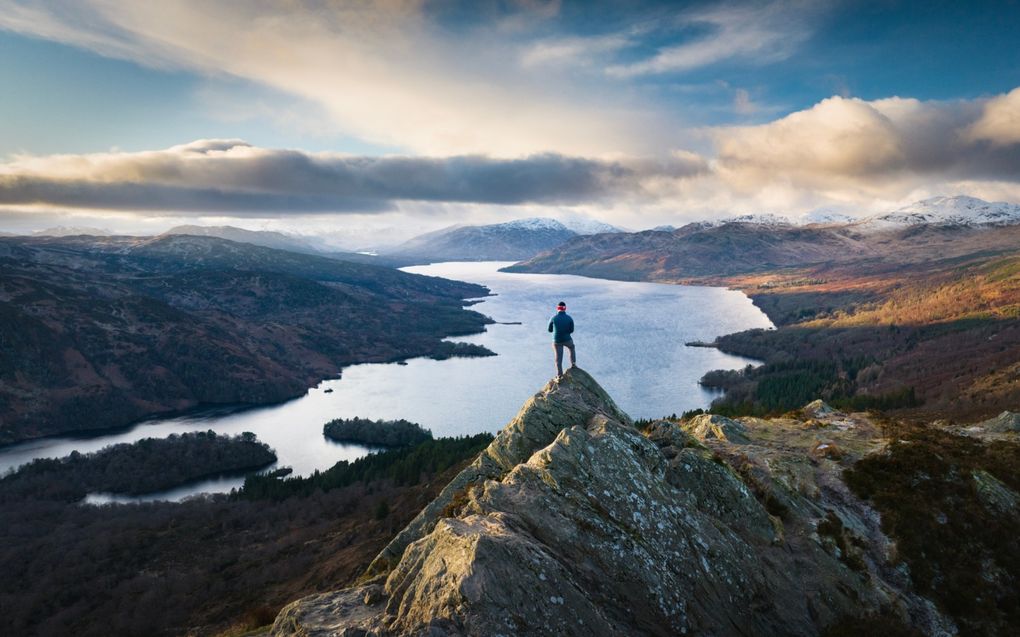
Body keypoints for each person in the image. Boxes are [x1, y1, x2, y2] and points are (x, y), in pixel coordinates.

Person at [548, 301, 576, 377]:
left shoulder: (553, 318)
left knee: (558, 358)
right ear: (565, 308)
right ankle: (573, 365)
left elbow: (549, 330)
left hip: (557, 341)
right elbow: (571, 330)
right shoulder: (569, 318)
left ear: (558, 308)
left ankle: (560, 375)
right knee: (572, 347)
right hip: (567, 339)